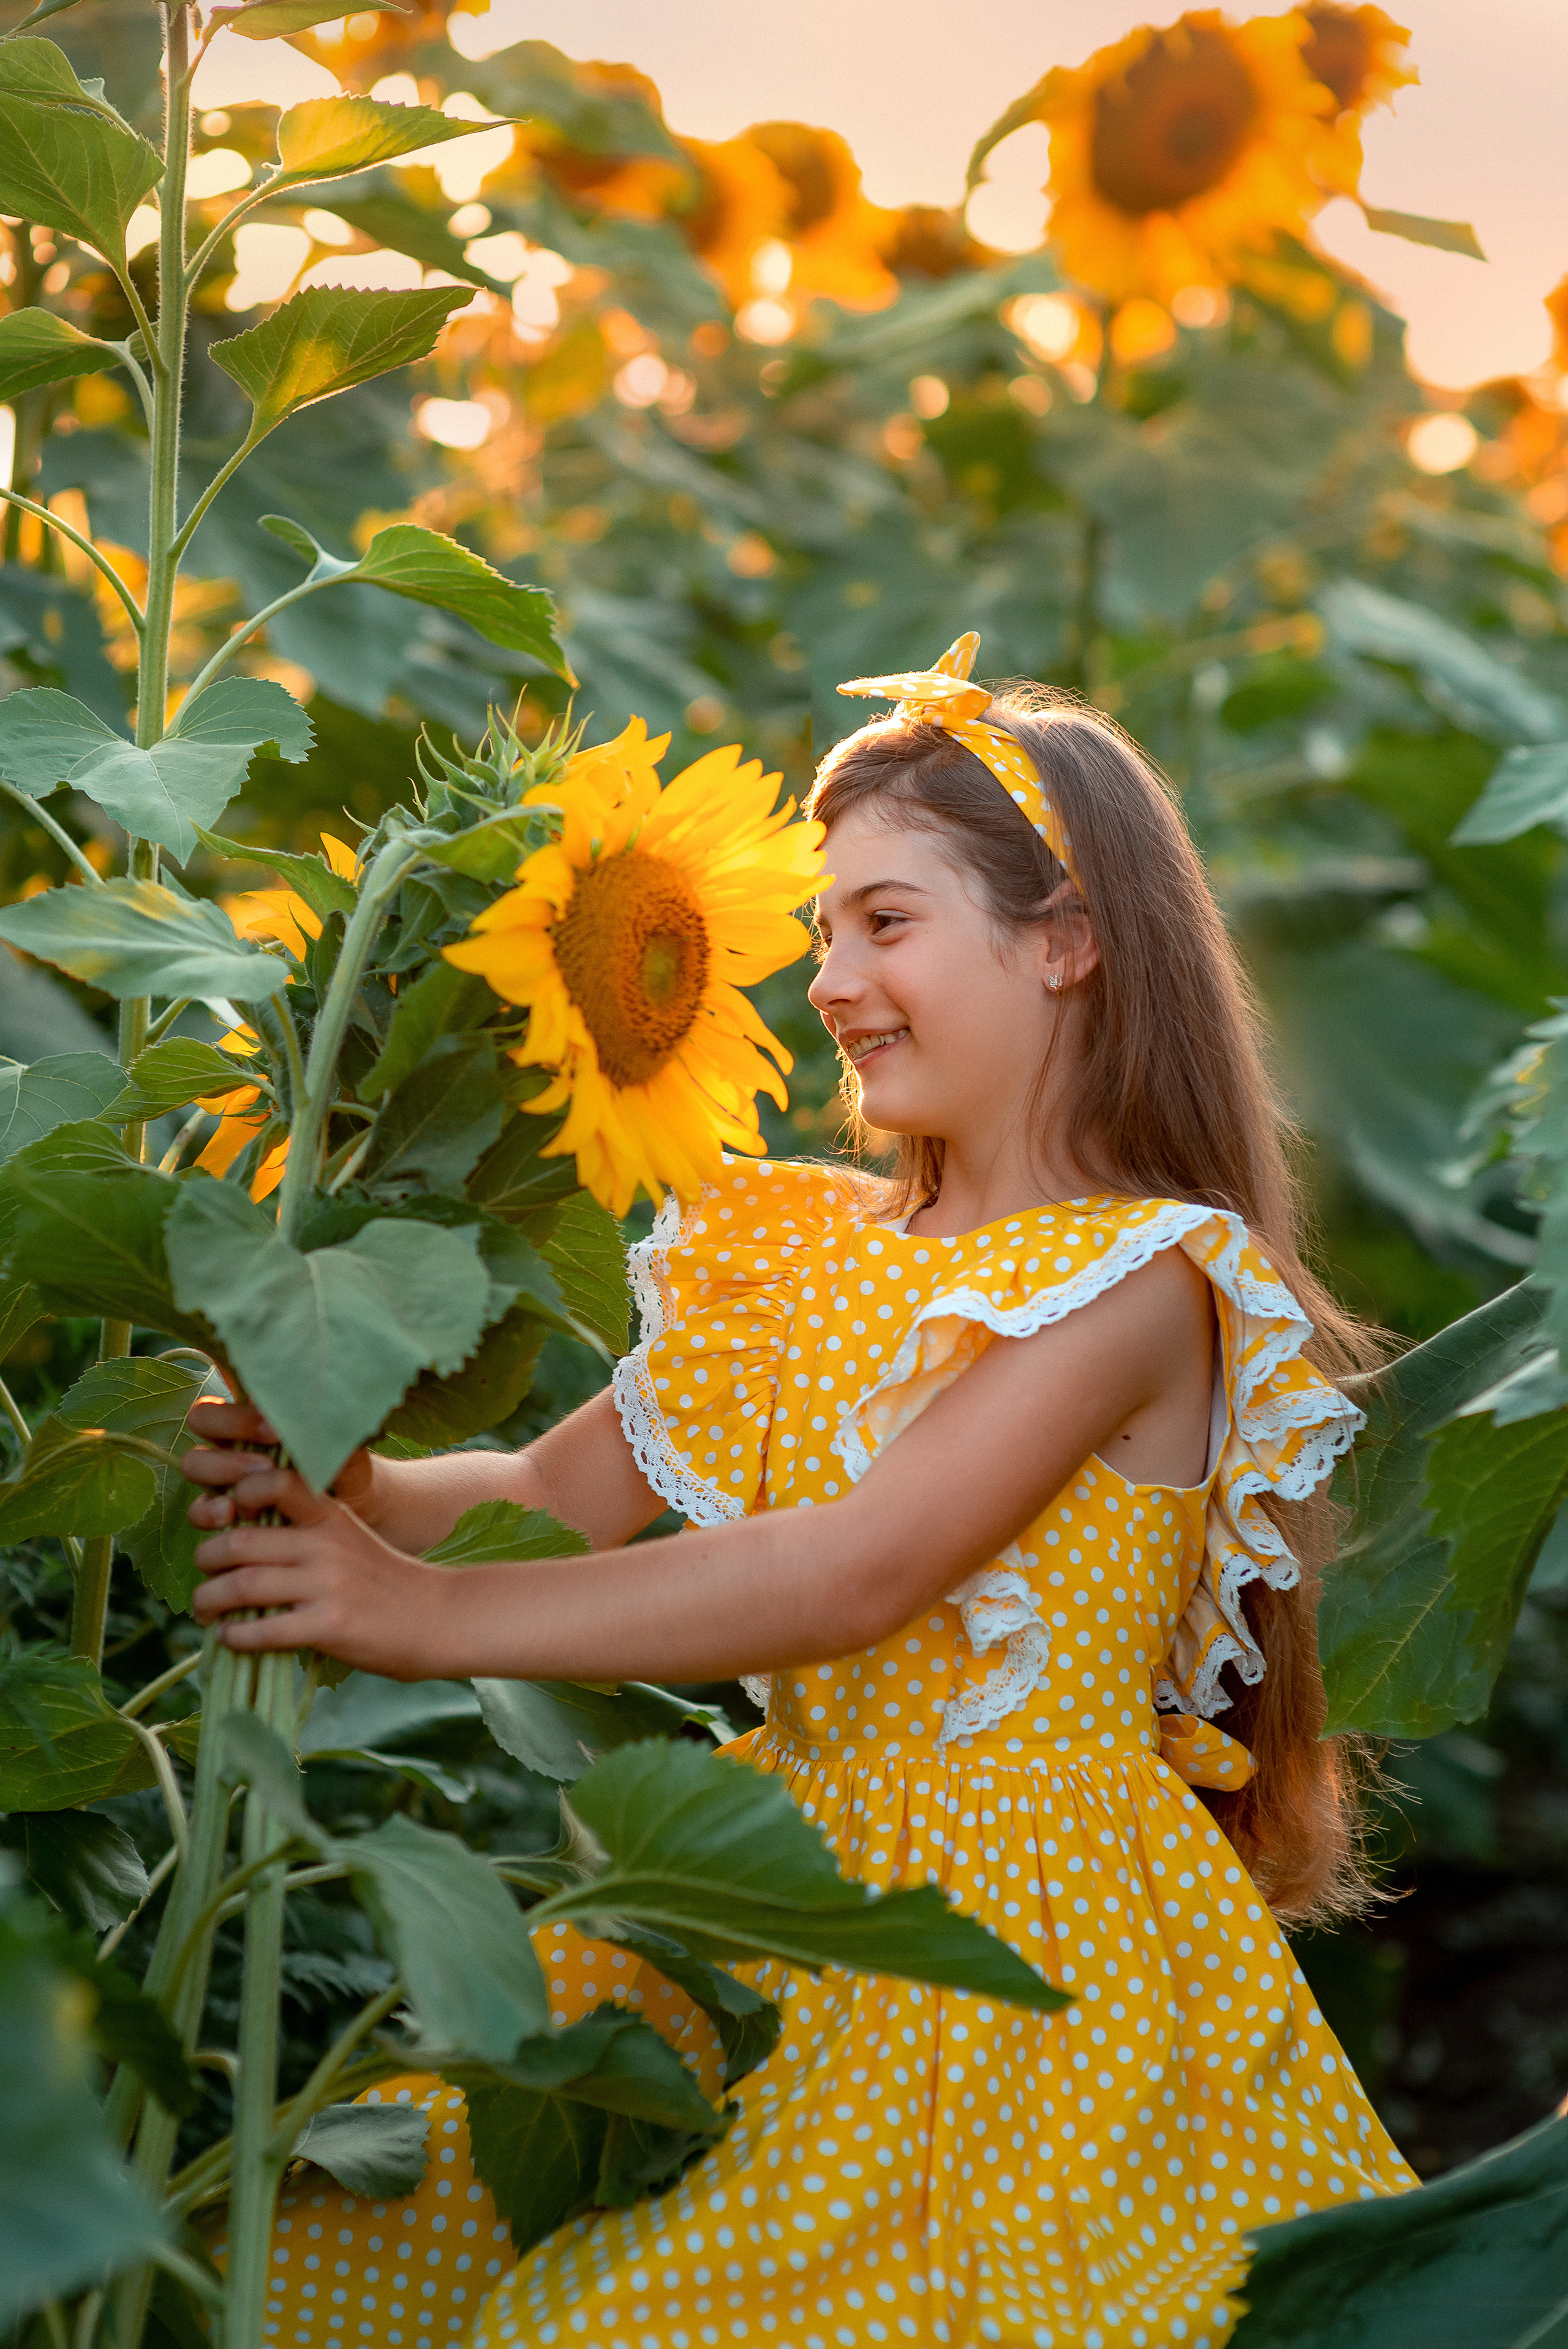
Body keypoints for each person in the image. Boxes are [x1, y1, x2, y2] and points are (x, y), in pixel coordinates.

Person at [184, 635, 1416, 2349]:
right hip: (770, 1901)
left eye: (888, 921)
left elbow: (857, 1570)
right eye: (826, 927)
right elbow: (555, 1485)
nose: (831, 976)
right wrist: (356, 1480)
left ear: (1066, 941)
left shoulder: (1144, 1277)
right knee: (320, 2255)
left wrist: (422, 1616)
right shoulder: (790, 1247)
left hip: (1007, 1971)